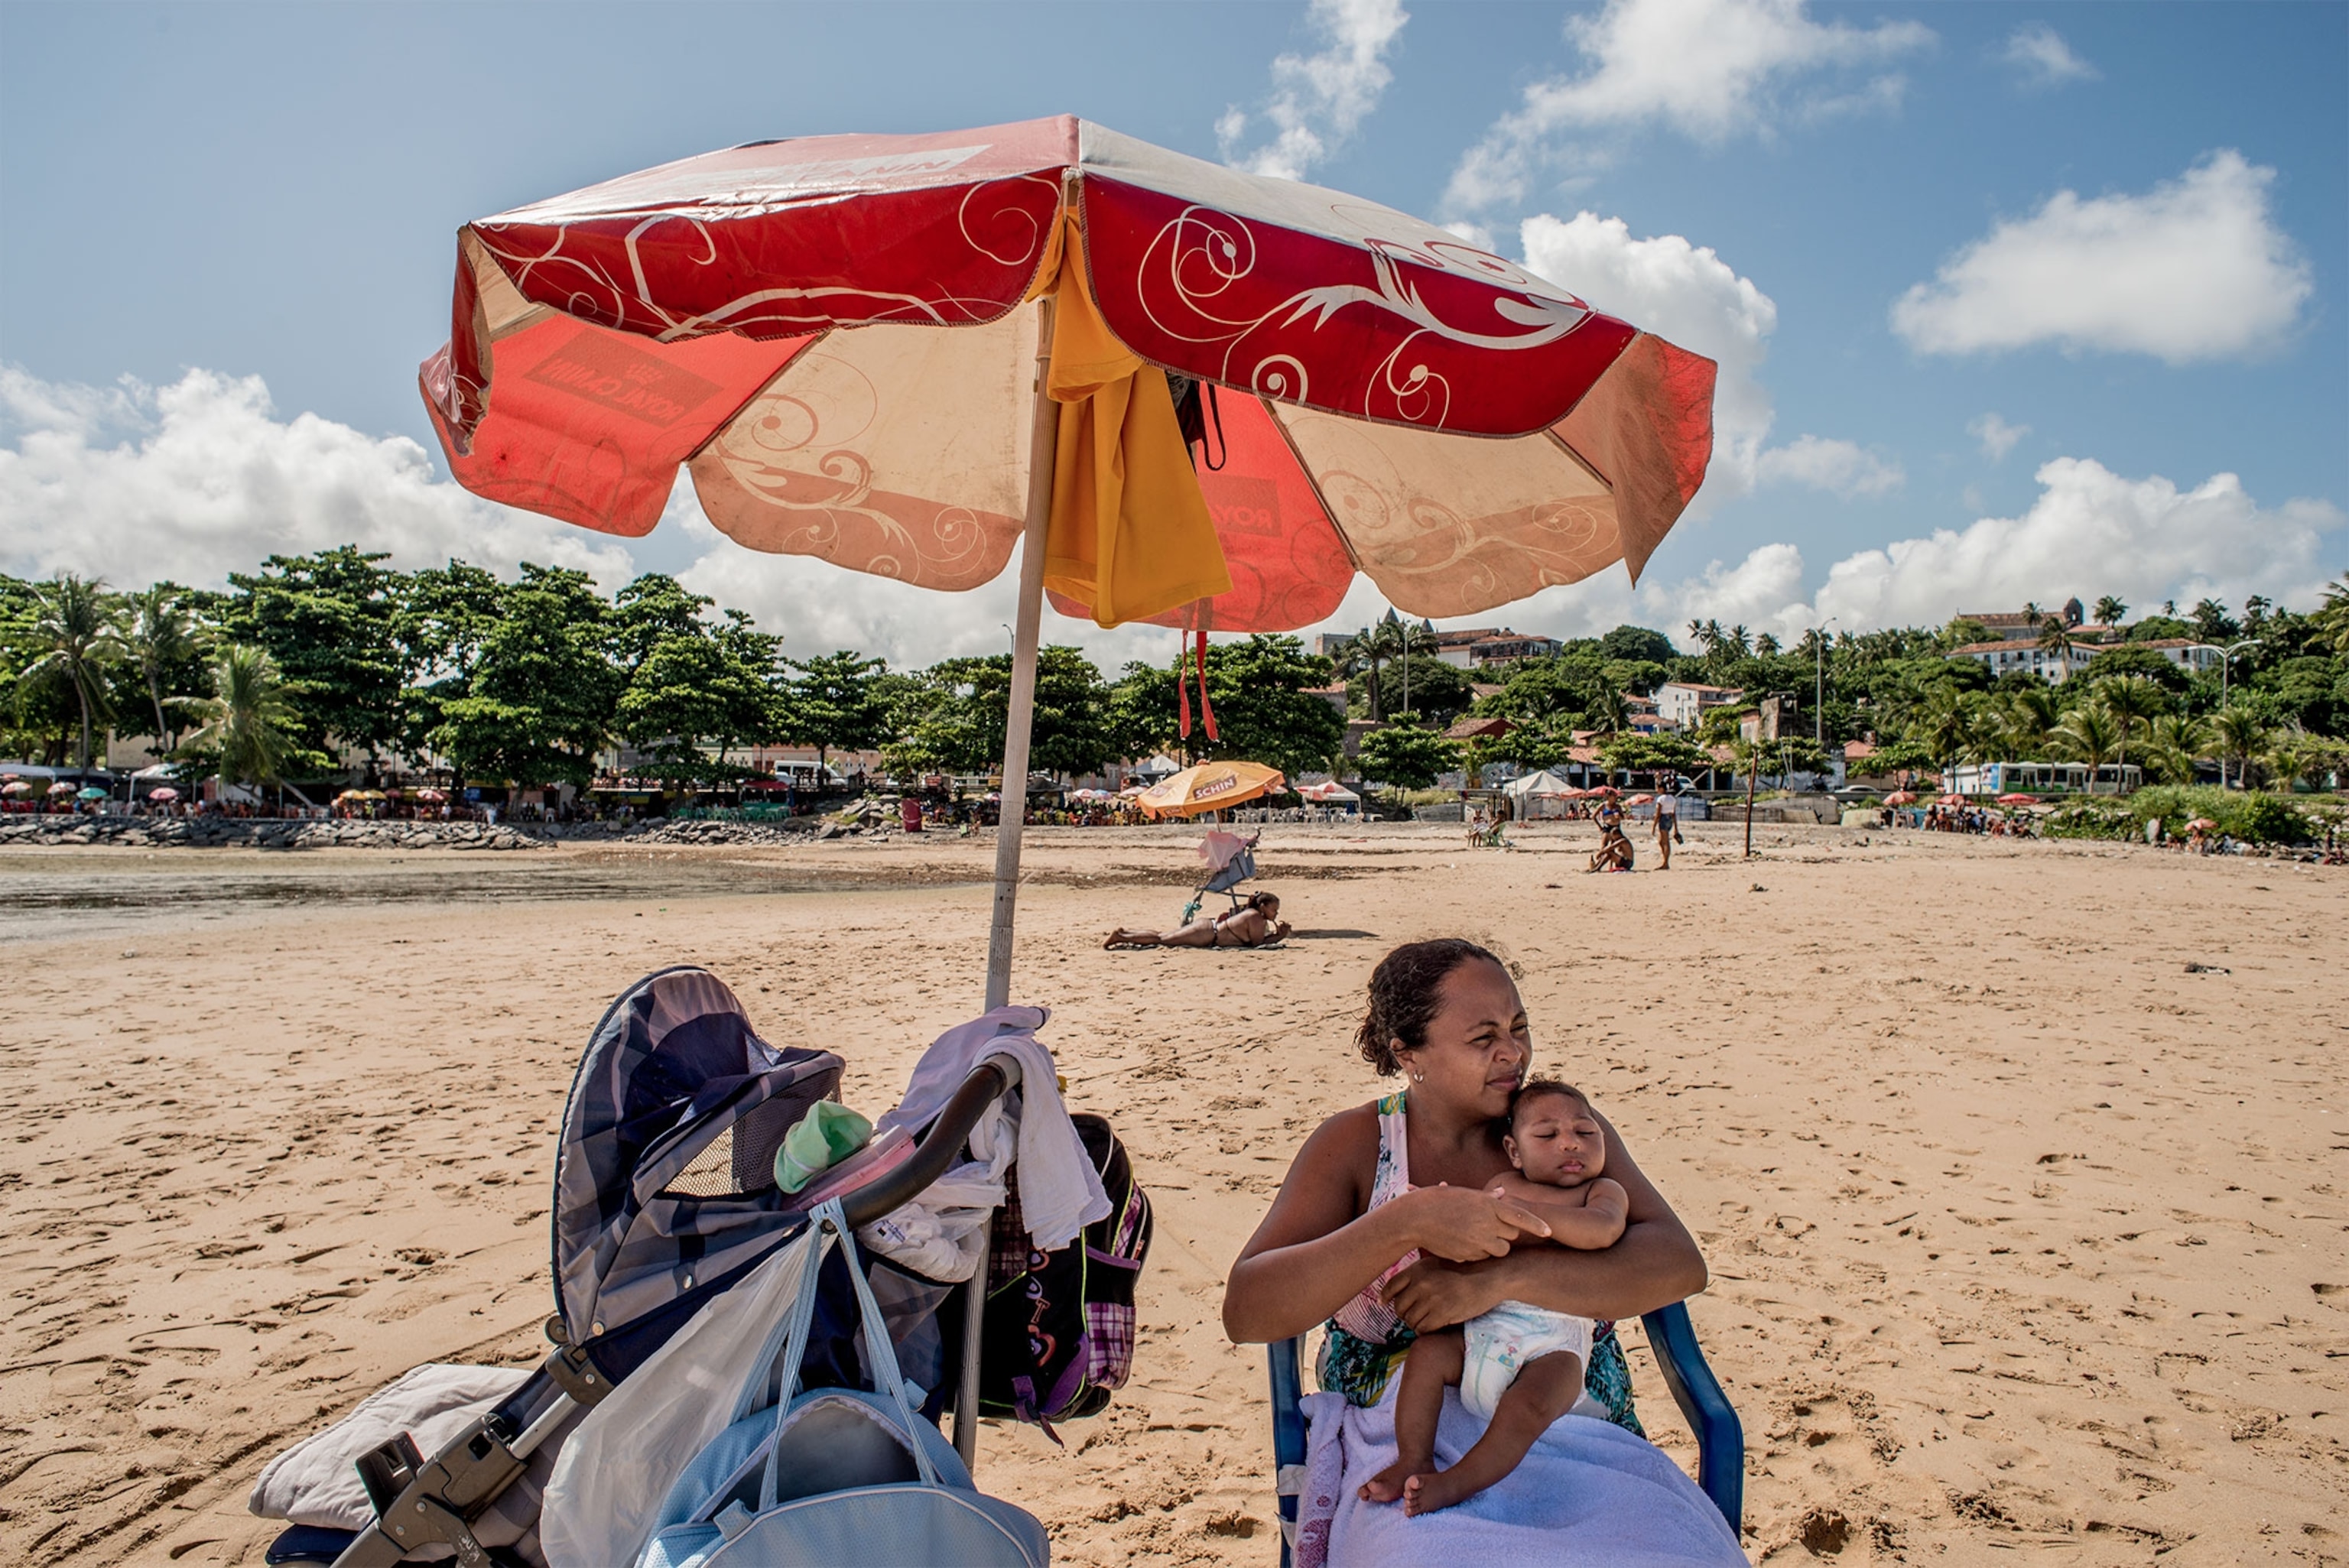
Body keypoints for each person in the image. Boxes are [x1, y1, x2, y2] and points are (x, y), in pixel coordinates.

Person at [1223, 940, 1730, 1560]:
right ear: (1408, 1053)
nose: (1513, 1052)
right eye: (1484, 1037)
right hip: (1406, 1443)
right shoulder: (1359, 1145)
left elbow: (1678, 1263)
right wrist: (1403, 1222)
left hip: (1571, 1427)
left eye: (1519, 1027)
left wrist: (1498, 1280)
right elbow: (1247, 1311)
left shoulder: (1556, 1134)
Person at [1360, 1079, 1628, 1514]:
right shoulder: (1502, 1184)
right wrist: (1434, 1213)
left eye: (1585, 1132)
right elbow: (1469, 1241)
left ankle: (1459, 1482)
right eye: (1548, 1135)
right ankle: (1413, 1457)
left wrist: (1517, 1214)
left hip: (1555, 1343)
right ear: (1514, 1151)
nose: (1570, 1144)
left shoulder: (1599, 1193)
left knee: (1529, 1405)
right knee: (1427, 1356)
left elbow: (1603, 1230)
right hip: (1485, 1328)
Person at [1105, 891, 1291, 949]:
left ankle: (1126, 933)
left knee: (1163, 936)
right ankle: (1120, 937)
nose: (1276, 914)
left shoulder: (1253, 915)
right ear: (1263, 907)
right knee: (1162, 939)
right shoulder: (1256, 918)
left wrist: (1277, 935)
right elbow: (1257, 944)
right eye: (1274, 910)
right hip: (1206, 934)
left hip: (1208, 929)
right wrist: (1279, 936)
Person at [1653, 792, 1678, 871]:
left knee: (1665, 841)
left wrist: (1654, 826)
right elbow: (1674, 813)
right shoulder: (1672, 799)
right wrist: (1676, 827)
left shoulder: (1661, 799)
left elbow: (1658, 813)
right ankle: (1665, 860)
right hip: (1670, 818)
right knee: (1661, 841)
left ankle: (1666, 863)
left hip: (1663, 818)